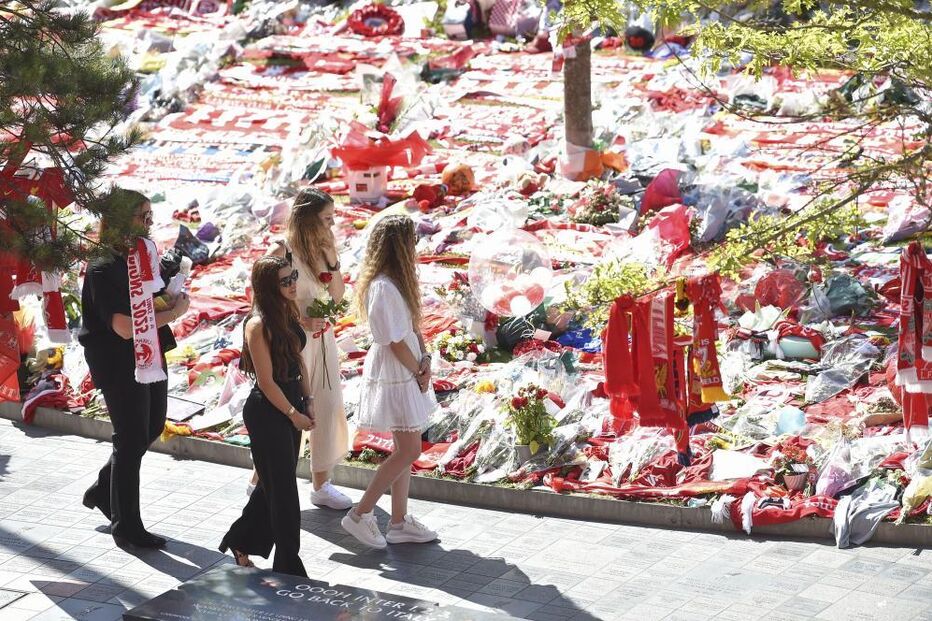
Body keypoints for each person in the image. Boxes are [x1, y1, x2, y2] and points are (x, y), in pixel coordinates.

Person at [80, 189, 190, 549]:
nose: (148, 223)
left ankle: (103, 489)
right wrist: (173, 314)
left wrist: (170, 295)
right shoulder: (102, 265)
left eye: (149, 216)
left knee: (152, 425)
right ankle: (126, 524)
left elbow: (148, 302)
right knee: (129, 438)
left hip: (149, 351)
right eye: (141, 216)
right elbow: (123, 326)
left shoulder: (142, 254)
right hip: (117, 357)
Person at [340, 215, 438, 549]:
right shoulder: (382, 286)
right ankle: (361, 513)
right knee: (410, 448)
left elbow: (411, 328)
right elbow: (391, 340)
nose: (415, 247)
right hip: (396, 369)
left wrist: (424, 361)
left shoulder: (397, 281)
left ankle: (398, 521)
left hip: (407, 364)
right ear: (399, 245)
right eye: (412, 240)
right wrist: (416, 369)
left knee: (405, 449)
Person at [256, 188, 352, 510]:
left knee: (326, 404)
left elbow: (336, 295)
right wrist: (299, 319)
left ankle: (321, 483)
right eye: (327, 219)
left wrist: (332, 260)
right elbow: (261, 301)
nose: (332, 225)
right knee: (289, 410)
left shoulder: (320, 251)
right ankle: (261, 481)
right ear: (309, 219)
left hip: (322, 340)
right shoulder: (281, 251)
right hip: (291, 342)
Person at [220, 256, 315, 577]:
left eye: (294, 277)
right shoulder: (257, 324)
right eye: (285, 281)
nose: (292, 285)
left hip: (292, 401)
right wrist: (292, 414)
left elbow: (297, 360)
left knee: (275, 484)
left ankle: (241, 539)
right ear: (268, 287)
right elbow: (265, 380)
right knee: (285, 493)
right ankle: (289, 566)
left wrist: (308, 401)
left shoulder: (287, 311)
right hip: (268, 409)